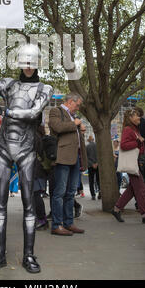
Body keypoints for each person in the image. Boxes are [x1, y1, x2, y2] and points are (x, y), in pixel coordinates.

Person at [0, 43, 53, 273]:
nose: (28, 67)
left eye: (31, 63)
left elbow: (33, 113)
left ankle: (29, 255)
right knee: (0, 204)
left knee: (29, 205)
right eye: (25, 63)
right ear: (20, 63)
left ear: (36, 64)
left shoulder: (45, 88)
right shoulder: (8, 83)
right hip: (4, 147)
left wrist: (3, 111)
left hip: (26, 148)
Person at [48, 93, 87, 236]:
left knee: (71, 193)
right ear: (70, 102)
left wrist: (80, 131)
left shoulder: (72, 116)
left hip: (74, 157)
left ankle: (69, 223)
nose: (78, 108)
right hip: (62, 157)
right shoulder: (56, 111)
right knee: (60, 192)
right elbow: (56, 127)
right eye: (77, 105)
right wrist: (74, 124)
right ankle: (56, 225)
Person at [111, 109, 145, 224]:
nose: (139, 117)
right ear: (130, 118)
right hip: (133, 163)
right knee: (141, 188)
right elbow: (124, 145)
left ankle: (116, 209)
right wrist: (138, 141)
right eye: (136, 116)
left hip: (135, 162)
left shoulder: (134, 129)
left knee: (132, 189)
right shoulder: (128, 129)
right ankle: (144, 215)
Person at [86, 135, 101, 200]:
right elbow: (100, 155)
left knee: (91, 181)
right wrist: (97, 163)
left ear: (89, 140)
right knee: (98, 180)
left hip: (90, 165)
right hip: (98, 165)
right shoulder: (98, 145)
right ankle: (100, 191)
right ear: (93, 140)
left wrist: (92, 164)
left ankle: (93, 195)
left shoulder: (87, 147)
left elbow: (86, 157)